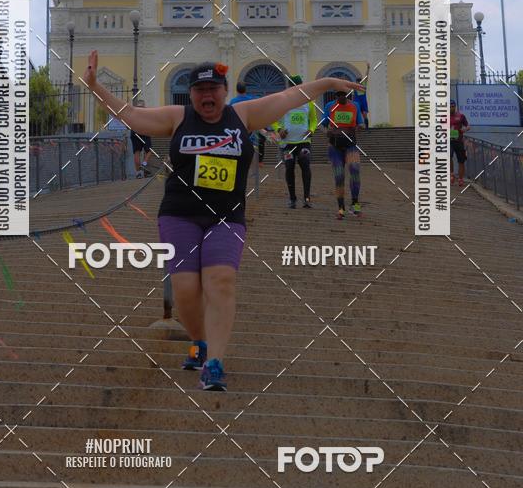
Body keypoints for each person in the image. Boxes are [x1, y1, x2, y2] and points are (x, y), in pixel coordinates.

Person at [84, 52, 362, 391]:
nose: (207, 96)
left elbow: (290, 96)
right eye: (200, 90)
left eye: (213, 89)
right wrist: (95, 86)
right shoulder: (178, 117)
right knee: (185, 290)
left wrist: (329, 83)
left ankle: (214, 362)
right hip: (179, 213)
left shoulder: (243, 115)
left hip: (226, 216)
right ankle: (199, 341)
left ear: (225, 91)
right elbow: (131, 115)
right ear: (192, 95)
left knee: (221, 281)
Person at [271, 75, 317, 209]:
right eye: (292, 86)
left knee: (305, 166)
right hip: (287, 143)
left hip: (304, 142)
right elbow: (273, 118)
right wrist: (279, 129)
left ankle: (307, 198)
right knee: (289, 168)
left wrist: (312, 130)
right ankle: (292, 199)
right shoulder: (282, 102)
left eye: (297, 86)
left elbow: (313, 120)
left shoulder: (309, 102)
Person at [322, 91, 365, 219]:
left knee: (355, 171)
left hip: (350, 144)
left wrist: (359, 127)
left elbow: (361, 123)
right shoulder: (329, 106)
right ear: (335, 97)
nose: (342, 98)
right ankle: (341, 208)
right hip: (335, 146)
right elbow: (322, 125)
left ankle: (355, 204)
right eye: (339, 96)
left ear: (349, 96)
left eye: (344, 96)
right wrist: (327, 131)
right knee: (339, 175)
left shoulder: (355, 106)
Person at [229, 81, 266, 164]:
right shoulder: (252, 99)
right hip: (251, 132)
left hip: (238, 133)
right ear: (246, 89)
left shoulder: (232, 102)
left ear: (237, 90)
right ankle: (260, 161)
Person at [129, 100, 152, 178]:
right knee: (149, 151)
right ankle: (144, 164)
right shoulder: (147, 113)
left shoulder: (133, 113)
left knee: (137, 152)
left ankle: (138, 173)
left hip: (134, 132)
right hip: (144, 132)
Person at [450, 99, 469, 187]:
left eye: (453, 106)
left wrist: (464, 129)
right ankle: (452, 174)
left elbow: (468, 126)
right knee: (448, 157)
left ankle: (460, 179)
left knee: (461, 161)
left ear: (455, 106)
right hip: (449, 141)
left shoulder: (461, 116)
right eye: (450, 106)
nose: (451, 108)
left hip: (459, 141)